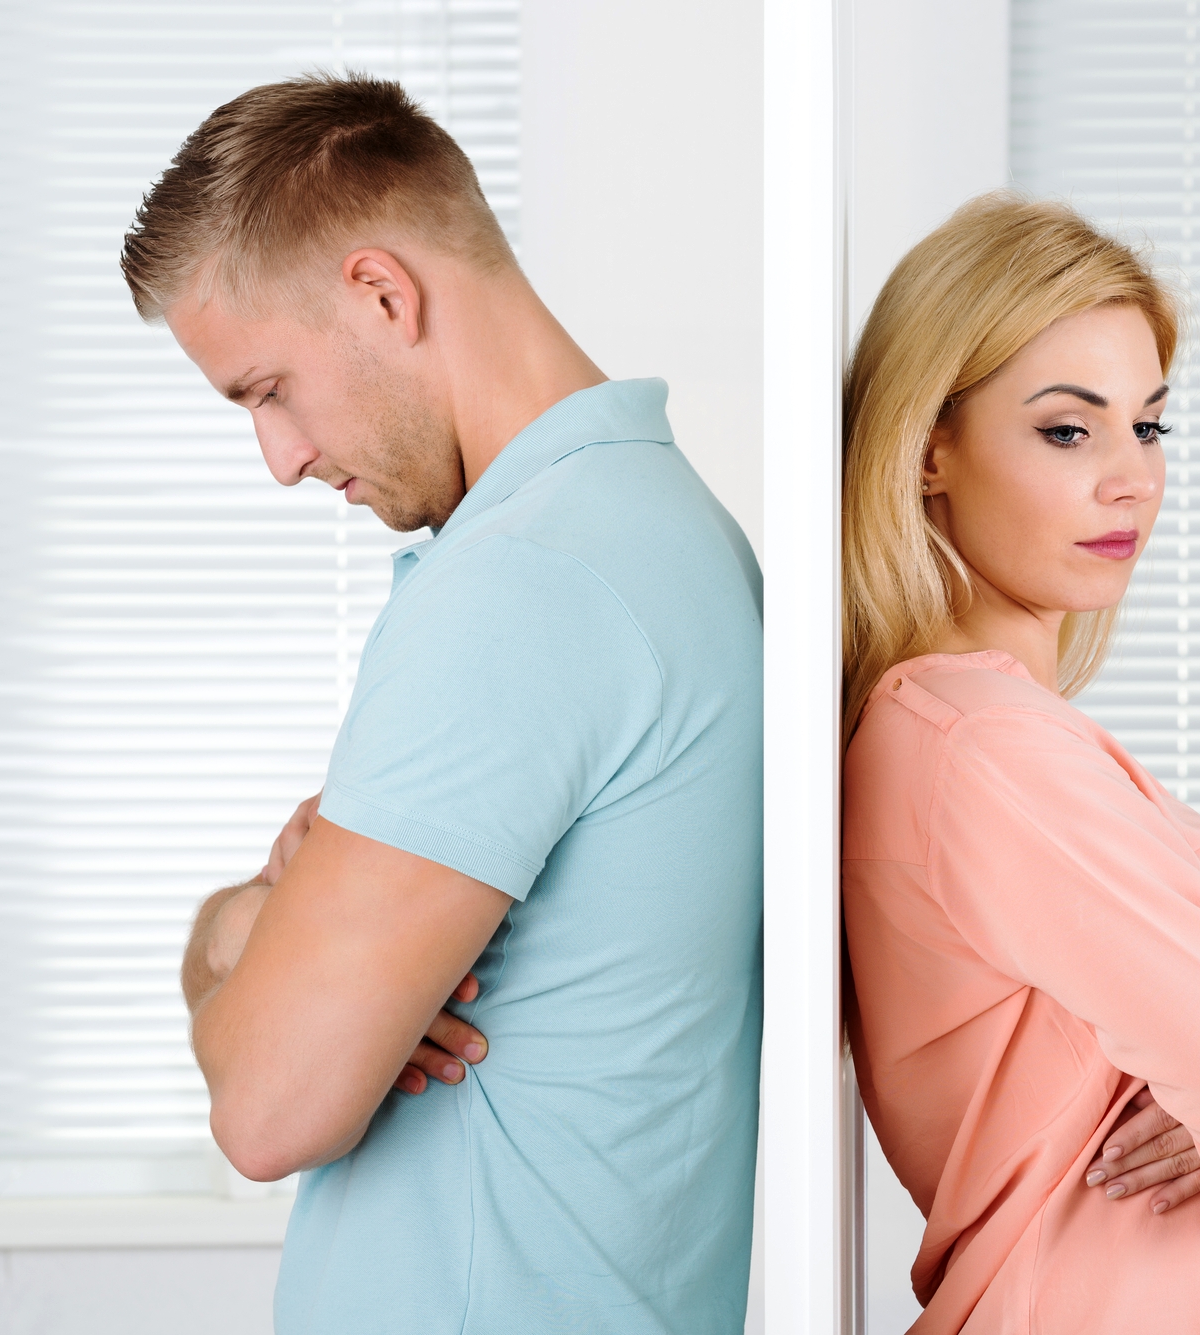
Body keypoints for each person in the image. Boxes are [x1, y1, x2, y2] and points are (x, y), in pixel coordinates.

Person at [123, 73, 763, 1334]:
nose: (282, 459)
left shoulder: (526, 584)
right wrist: (253, 926)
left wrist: (245, 965)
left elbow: (264, 1109)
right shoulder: (670, 534)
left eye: (266, 390)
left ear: (380, 292)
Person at [840, 192, 1200, 1333]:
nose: (1131, 479)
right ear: (928, 449)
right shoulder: (987, 749)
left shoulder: (971, 735)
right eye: (1065, 429)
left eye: (1148, 424)